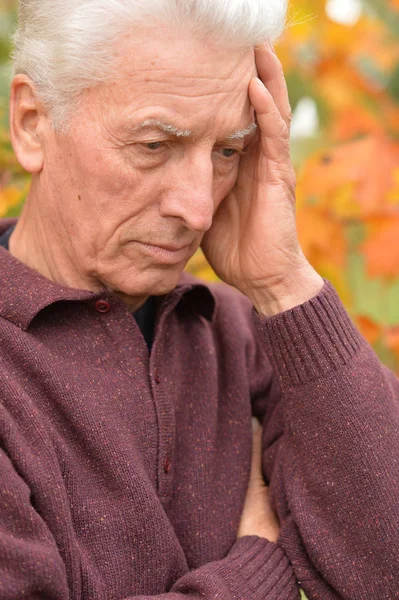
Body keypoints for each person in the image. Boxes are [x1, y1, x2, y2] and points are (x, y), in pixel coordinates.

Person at [0, 1, 398, 598]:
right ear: (33, 122)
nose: (198, 208)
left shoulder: (247, 332)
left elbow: (382, 568)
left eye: (226, 152)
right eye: (155, 145)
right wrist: (257, 568)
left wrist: (284, 284)